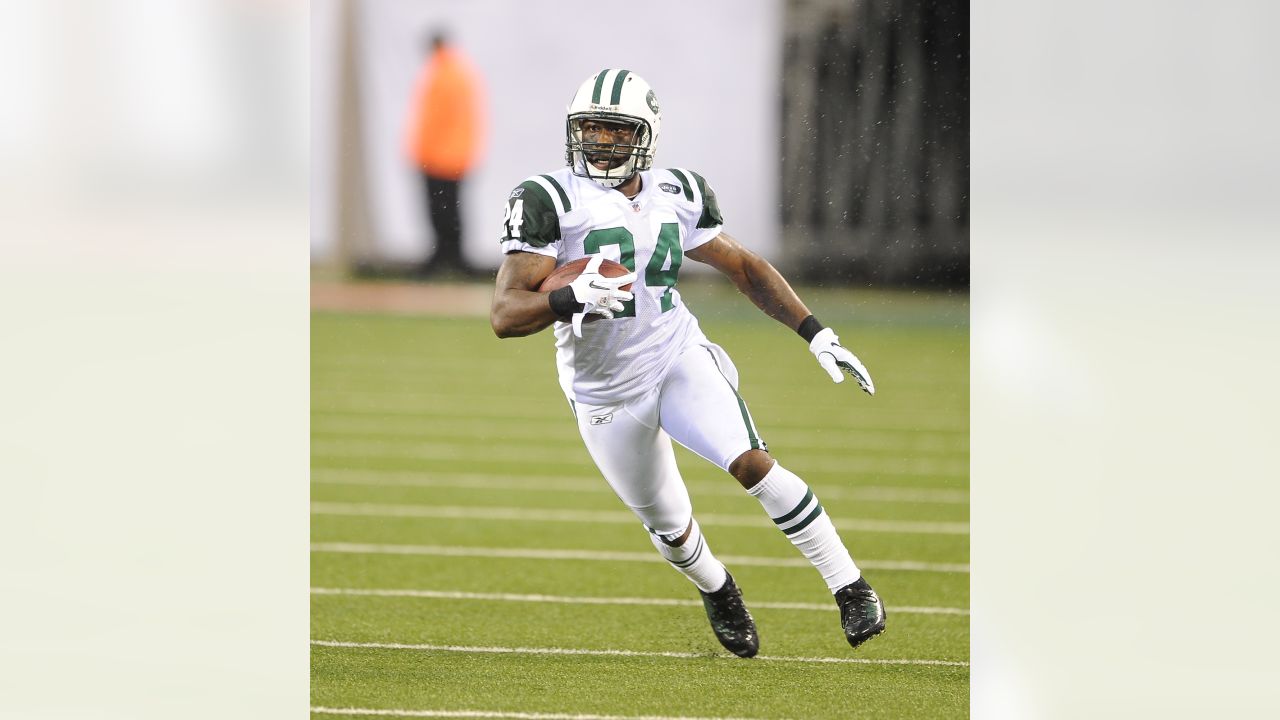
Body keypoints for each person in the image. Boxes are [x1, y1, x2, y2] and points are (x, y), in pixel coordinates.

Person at [489, 69, 885, 658]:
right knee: (670, 528)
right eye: (590, 128)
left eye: (615, 131)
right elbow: (504, 313)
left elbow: (743, 267)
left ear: (644, 135)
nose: (600, 142)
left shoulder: (679, 190)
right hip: (602, 392)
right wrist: (568, 297)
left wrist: (814, 332)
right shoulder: (548, 199)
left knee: (751, 462)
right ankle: (718, 588)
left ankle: (850, 585)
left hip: (675, 355)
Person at [404, 31, 485, 278]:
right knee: (451, 209)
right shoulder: (457, 72)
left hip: (439, 157)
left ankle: (446, 257)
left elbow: (433, 120)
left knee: (442, 211)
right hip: (453, 155)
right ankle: (452, 257)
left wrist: (421, 152)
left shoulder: (441, 74)